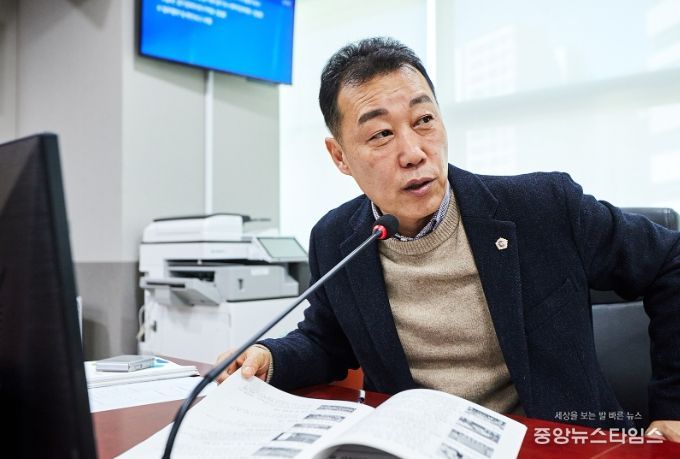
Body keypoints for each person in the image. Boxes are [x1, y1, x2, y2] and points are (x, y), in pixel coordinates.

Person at [216, 37, 680, 439]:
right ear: (340, 156)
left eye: (424, 120)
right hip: (417, 443)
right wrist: (269, 357)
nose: (414, 152)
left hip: (550, 443)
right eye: (381, 134)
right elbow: (327, 341)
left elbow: (670, 261)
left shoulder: (543, 208)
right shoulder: (337, 238)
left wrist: (673, 409)